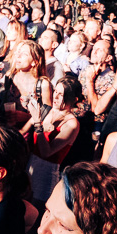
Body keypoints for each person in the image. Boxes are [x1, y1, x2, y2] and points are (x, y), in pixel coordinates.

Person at [21, 75, 82, 206]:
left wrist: (38, 124)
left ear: (74, 99)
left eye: (62, 94)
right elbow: (23, 131)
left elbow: (46, 152)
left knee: (37, 211)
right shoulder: (46, 110)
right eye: (56, 91)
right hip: (30, 167)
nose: (56, 97)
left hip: (46, 175)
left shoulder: (71, 124)